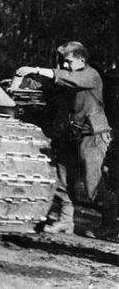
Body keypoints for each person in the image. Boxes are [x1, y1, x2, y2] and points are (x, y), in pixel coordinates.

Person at [17, 41, 113, 234]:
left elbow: (67, 78)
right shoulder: (68, 78)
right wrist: (26, 78)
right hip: (70, 134)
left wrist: (35, 69)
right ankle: (66, 221)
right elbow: (49, 85)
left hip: (92, 136)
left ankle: (111, 223)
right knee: (62, 178)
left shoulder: (90, 75)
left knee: (93, 182)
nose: (65, 65)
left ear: (81, 60)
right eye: (63, 61)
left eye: (68, 61)